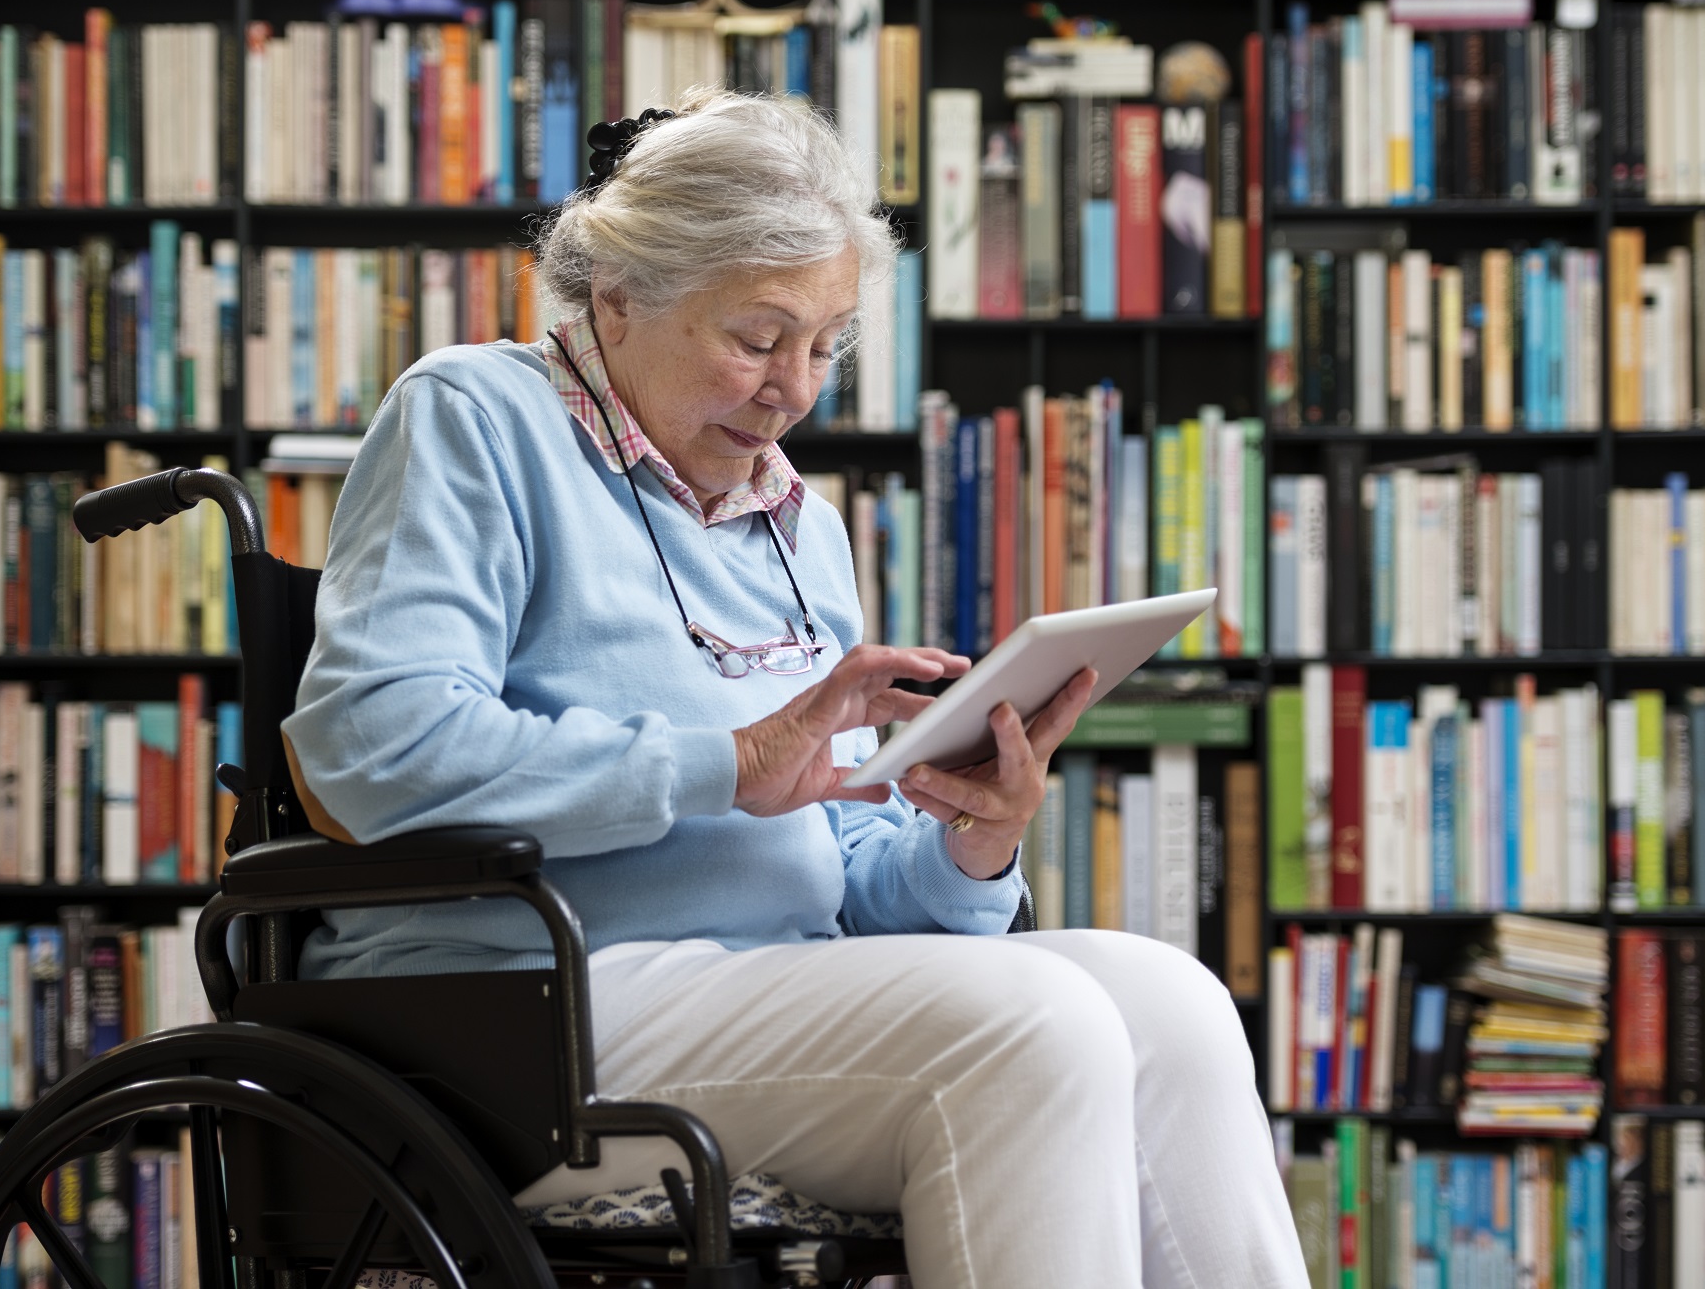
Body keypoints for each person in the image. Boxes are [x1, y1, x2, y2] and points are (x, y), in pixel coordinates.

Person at [279, 87, 1307, 1289]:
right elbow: (373, 747)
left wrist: (970, 846)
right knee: (1032, 1024)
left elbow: (852, 888)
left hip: (767, 984)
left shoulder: (799, 528)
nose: (795, 391)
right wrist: (725, 763)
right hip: (514, 1006)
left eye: (825, 345)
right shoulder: (475, 417)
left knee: (1171, 1002)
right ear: (617, 296)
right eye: (758, 338)